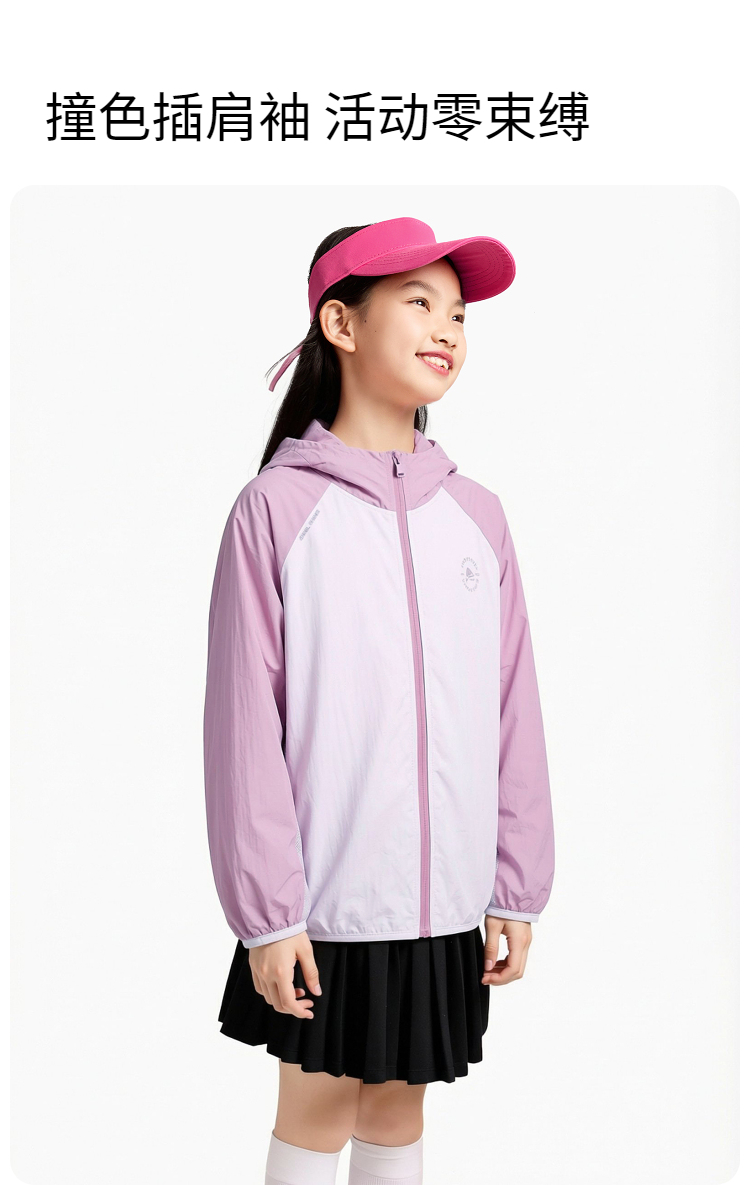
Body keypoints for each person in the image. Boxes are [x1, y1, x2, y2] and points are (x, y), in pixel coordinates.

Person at [203, 217, 555, 1185]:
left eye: (459, 313)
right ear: (342, 323)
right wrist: (270, 913)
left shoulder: (477, 516)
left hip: (445, 902)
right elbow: (244, 729)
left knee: (399, 1108)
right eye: (420, 303)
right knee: (318, 1106)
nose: (448, 329)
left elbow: (513, 707)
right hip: (326, 902)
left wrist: (516, 883)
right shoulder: (278, 510)